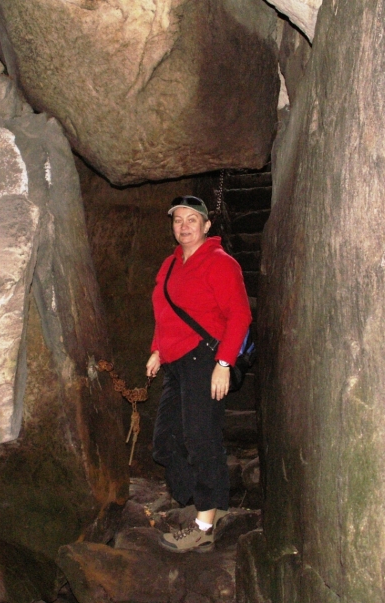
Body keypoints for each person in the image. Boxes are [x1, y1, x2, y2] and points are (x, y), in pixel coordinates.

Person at [146, 195, 251, 553]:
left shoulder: (220, 262)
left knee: (201, 438)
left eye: (192, 219)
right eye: (178, 220)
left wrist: (224, 364)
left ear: (206, 226)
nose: (184, 226)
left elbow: (240, 315)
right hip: (176, 363)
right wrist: (158, 350)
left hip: (205, 360)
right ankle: (208, 503)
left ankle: (204, 524)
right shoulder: (170, 263)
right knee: (165, 442)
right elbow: (164, 311)